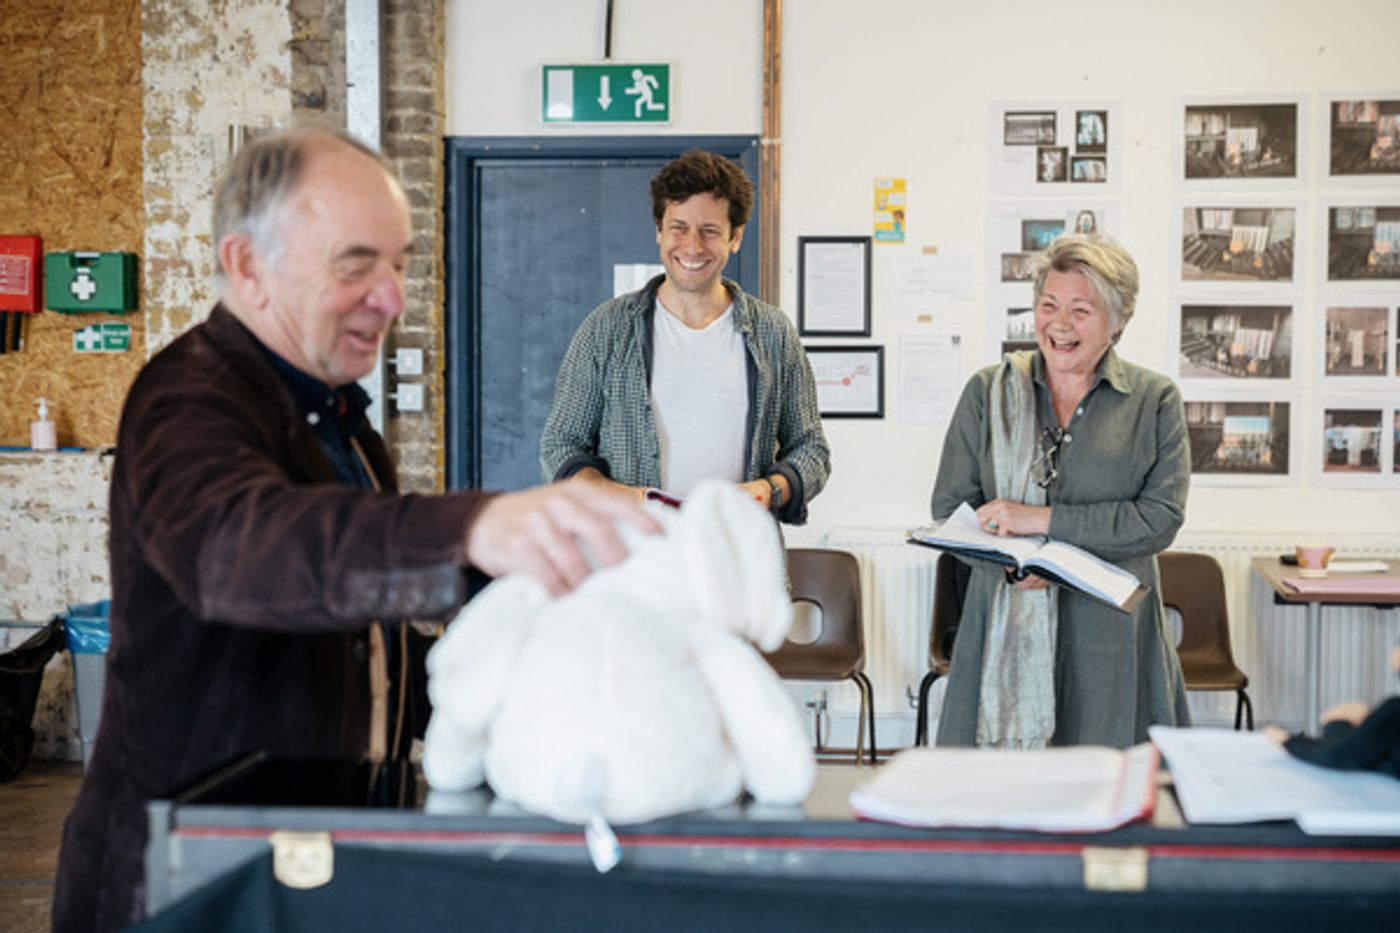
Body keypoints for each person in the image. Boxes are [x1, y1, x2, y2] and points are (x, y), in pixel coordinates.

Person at [52, 129, 657, 932]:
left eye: (399, 262)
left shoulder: (335, 416)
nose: (393, 296)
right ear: (247, 265)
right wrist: (475, 526)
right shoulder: (189, 399)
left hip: (295, 857)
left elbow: (360, 623)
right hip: (180, 879)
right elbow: (242, 549)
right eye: (355, 264)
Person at [930, 233, 1191, 749]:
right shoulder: (988, 391)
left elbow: (1159, 519)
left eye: (1081, 310)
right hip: (1005, 616)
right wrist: (1012, 565)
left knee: (1108, 793)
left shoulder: (1154, 399)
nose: (1060, 324)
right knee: (1001, 804)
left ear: (1119, 320)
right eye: (1048, 305)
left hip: (1110, 636)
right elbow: (950, 509)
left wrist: (1040, 520)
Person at [539, 149, 830, 523]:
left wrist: (768, 490)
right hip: (631, 559)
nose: (693, 246)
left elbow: (812, 449)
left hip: (738, 556)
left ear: (735, 237)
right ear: (659, 231)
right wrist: (622, 498)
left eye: (710, 231)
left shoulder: (774, 333)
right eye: (678, 227)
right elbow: (559, 446)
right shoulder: (606, 329)